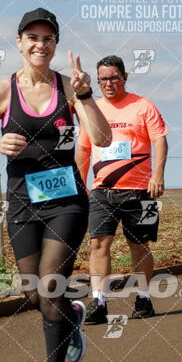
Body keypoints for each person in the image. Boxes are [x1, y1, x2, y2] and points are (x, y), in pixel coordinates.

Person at [0, 8, 111, 362]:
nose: (40, 44)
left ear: (55, 45)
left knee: (49, 284)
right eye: (32, 37)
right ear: (19, 42)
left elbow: (100, 138)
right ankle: (73, 315)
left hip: (65, 200)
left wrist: (85, 94)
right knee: (34, 291)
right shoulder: (2, 92)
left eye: (48, 39)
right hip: (21, 203)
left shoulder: (69, 88)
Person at [76, 55, 168, 323]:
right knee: (98, 243)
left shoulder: (143, 106)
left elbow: (160, 142)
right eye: (102, 79)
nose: (108, 83)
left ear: (125, 77)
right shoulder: (92, 110)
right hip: (102, 190)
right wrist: (81, 186)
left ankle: (143, 297)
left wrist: (158, 176)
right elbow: (83, 149)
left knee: (139, 245)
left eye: (113, 77)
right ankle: (99, 302)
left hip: (141, 189)